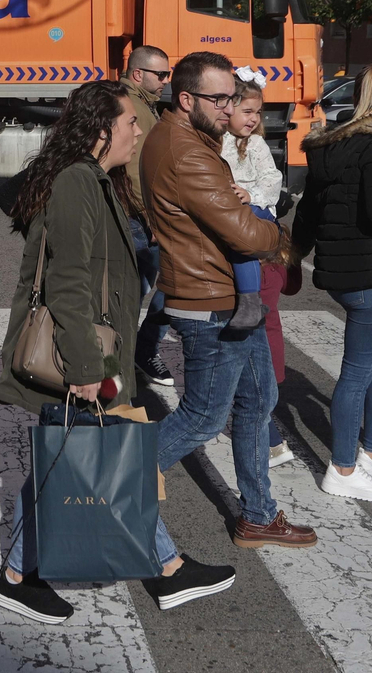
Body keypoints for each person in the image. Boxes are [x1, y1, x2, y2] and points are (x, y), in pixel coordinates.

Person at [0, 79, 236, 625]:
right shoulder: (77, 181)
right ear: (101, 129)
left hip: (100, 345)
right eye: (130, 123)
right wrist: (87, 368)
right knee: (93, 452)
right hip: (88, 350)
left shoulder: (94, 178)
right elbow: (69, 279)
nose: (136, 132)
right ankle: (164, 568)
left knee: (77, 457)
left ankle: (22, 576)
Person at [140, 51, 316, 549]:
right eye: (218, 99)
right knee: (202, 417)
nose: (228, 107)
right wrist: (269, 222)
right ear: (186, 98)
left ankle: (258, 515)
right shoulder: (188, 151)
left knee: (259, 400)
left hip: (230, 298)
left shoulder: (191, 138)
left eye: (231, 97)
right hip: (210, 301)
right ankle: (108, 484)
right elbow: (248, 236)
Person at [291, 63, 372, 503]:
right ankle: (342, 468)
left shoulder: (330, 146)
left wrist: (293, 256)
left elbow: (307, 211)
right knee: (358, 373)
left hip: (345, 274)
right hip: (370, 274)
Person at [221, 68, 293, 467]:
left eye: (257, 112)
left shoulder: (258, 145)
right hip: (233, 231)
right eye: (247, 110)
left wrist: (255, 195)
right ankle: (260, 422)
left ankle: (263, 413)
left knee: (262, 318)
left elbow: (273, 179)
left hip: (259, 226)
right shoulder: (217, 142)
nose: (253, 118)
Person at [122, 45, 176, 386]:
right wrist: (152, 217)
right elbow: (135, 170)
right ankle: (136, 353)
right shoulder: (134, 107)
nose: (165, 81)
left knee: (139, 289)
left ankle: (130, 355)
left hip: (142, 216)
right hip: (141, 218)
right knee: (166, 284)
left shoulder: (144, 105)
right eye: (161, 75)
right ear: (138, 74)